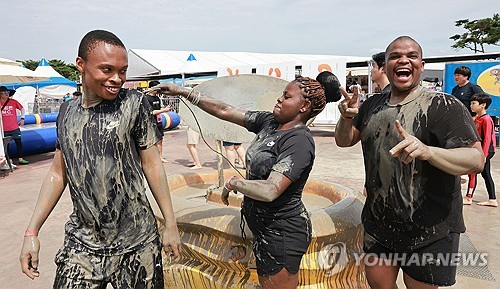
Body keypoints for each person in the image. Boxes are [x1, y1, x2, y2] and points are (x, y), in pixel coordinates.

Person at [19, 30, 181, 289]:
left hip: (137, 244)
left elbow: (152, 165)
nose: (117, 79)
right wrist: (31, 232)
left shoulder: (134, 105)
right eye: (107, 69)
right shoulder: (66, 112)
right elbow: (59, 173)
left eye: (123, 71)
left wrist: (170, 224)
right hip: (82, 246)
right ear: (81, 65)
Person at [155, 73, 337, 289]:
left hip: (282, 233)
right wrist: (184, 92)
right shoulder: (269, 123)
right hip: (264, 227)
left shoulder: (298, 141)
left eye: (286, 97)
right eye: (282, 94)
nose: (279, 99)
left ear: (304, 106)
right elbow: (226, 111)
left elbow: (270, 190)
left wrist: (234, 183)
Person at [335, 36, 484, 288]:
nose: (403, 60)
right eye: (395, 56)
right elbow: (344, 140)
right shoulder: (372, 104)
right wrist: (346, 119)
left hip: (430, 227)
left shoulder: (443, 106)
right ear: (386, 66)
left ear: (422, 65)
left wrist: (428, 151)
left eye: (412, 56)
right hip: (379, 222)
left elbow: (475, 159)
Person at [464, 93, 498, 207]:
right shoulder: (477, 119)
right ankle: (492, 199)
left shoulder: (486, 119)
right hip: (481, 151)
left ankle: (469, 197)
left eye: (474, 103)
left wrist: (483, 155)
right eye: (471, 103)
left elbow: (487, 138)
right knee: (486, 174)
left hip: (486, 150)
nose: (471, 106)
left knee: (472, 172)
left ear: (483, 105)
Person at [0, 86, 28, 165]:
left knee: (19, 143)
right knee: (6, 145)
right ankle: (9, 160)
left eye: (8, 92)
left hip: (14, 127)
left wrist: (22, 118)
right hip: (4, 129)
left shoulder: (13, 101)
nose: (7, 94)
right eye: (5, 93)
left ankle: (21, 158)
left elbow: (22, 109)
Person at [146, 80, 172, 163]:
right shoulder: (146, 98)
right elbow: (151, 112)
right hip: (151, 122)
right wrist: (163, 110)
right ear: (150, 88)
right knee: (152, 141)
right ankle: (153, 158)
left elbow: (158, 109)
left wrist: (165, 109)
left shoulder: (157, 98)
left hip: (159, 121)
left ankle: (160, 157)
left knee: (160, 140)